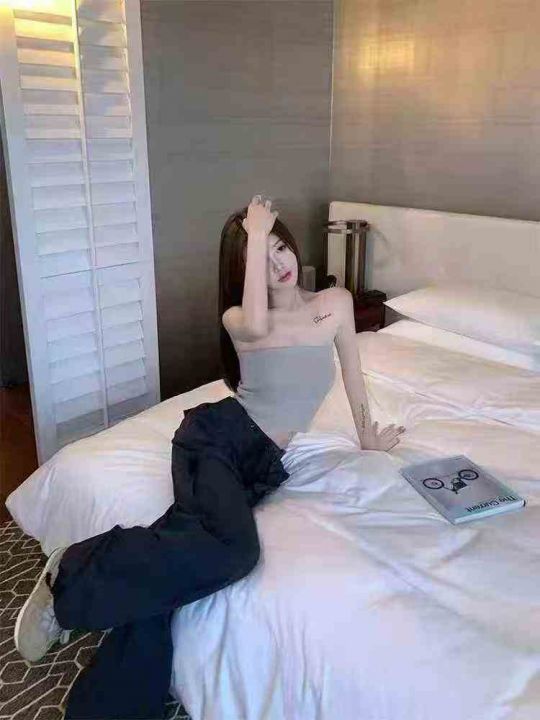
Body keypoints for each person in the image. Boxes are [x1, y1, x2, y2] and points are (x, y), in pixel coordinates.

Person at [13, 195, 404, 720]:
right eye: (260, 259)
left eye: (281, 247)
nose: (278, 264)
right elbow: (261, 326)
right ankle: (77, 568)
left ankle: (103, 702)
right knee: (235, 552)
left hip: (260, 465)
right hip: (216, 440)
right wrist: (256, 234)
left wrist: (368, 436)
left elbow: (354, 372)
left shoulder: (334, 303)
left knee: (173, 578)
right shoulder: (240, 317)